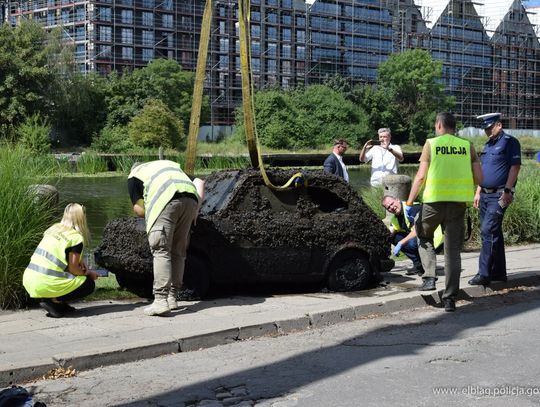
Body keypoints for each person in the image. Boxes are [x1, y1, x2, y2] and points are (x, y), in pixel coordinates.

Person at [406, 112, 483, 312]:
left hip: (433, 203)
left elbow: (421, 177)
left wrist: (409, 201)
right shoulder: (468, 146)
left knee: (422, 234)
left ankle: (429, 278)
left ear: (439, 125)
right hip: (457, 206)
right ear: (453, 126)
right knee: (452, 253)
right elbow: (480, 178)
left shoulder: (431, 144)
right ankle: (450, 299)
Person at [128, 160, 205, 316]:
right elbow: (200, 182)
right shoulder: (166, 167)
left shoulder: (134, 175)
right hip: (190, 199)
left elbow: (139, 210)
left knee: (161, 249)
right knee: (178, 252)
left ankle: (160, 301)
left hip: (167, 200)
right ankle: (172, 298)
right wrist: (196, 210)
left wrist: (154, 217)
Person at [468, 113, 521, 287]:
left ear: (499, 125)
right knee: (494, 233)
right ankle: (499, 273)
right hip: (484, 194)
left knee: (487, 230)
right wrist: (478, 190)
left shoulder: (510, 142)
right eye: (485, 129)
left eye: (490, 128)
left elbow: (515, 167)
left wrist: (508, 190)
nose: (487, 131)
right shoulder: (488, 144)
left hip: (499, 194)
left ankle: (484, 274)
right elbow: (484, 169)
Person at [22, 203, 98, 318]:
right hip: (45, 283)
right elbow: (73, 269)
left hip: (29, 280)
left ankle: (58, 304)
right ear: (81, 218)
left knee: (72, 278)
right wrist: (89, 273)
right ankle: (54, 300)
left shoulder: (53, 228)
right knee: (89, 284)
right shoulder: (76, 238)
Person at [382, 196, 444, 276]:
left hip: (433, 239)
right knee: (394, 238)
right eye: (388, 207)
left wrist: (401, 243)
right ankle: (418, 265)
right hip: (420, 238)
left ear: (397, 199)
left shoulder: (412, 208)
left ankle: (428, 266)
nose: (391, 207)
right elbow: (389, 233)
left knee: (411, 242)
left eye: (392, 203)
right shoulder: (395, 218)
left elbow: (417, 231)